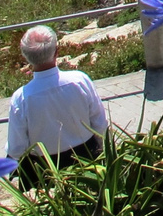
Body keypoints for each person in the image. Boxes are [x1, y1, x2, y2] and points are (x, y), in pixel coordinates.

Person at [7, 25, 108, 185]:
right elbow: (100, 125)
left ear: (26, 56)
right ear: (57, 51)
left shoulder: (21, 98)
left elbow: (16, 149)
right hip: (87, 161)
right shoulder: (80, 80)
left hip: (45, 172)